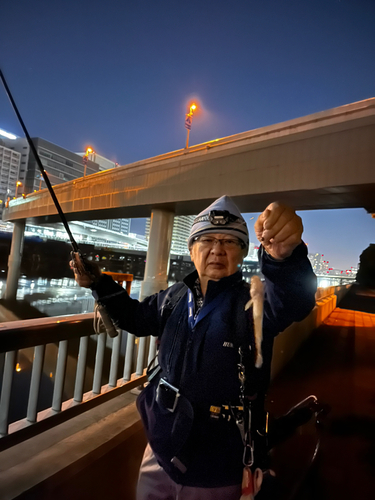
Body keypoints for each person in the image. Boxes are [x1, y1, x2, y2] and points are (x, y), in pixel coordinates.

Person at [70, 195, 317, 500]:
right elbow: (136, 317)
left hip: (218, 472)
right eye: (207, 240)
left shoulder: (253, 302)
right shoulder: (173, 298)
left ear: (242, 253)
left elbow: (294, 300)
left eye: (229, 242)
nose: (216, 249)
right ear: (191, 249)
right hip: (158, 454)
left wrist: (285, 258)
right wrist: (99, 284)